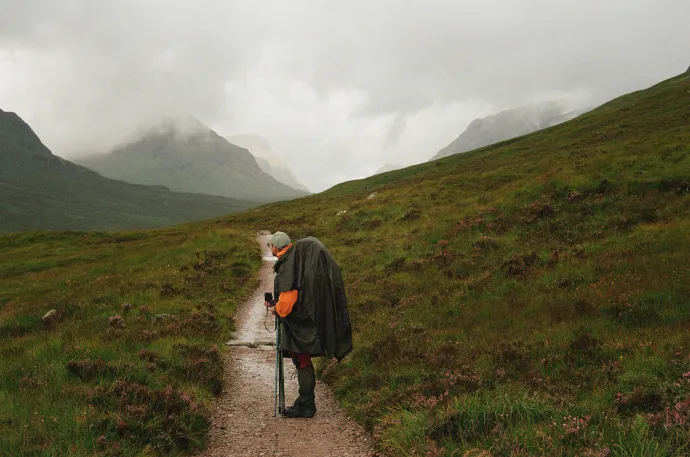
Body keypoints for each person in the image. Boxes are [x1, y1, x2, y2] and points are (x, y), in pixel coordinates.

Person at [265, 231, 353, 418]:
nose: (270, 249)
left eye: (270, 246)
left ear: (275, 247)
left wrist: (276, 309)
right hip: (306, 318)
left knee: (302, 359)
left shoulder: (288, 263)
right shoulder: (296, 257)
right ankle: (306, 401)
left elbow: (288, 301)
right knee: (302, 359)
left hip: (299, 324)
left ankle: (306, 404)